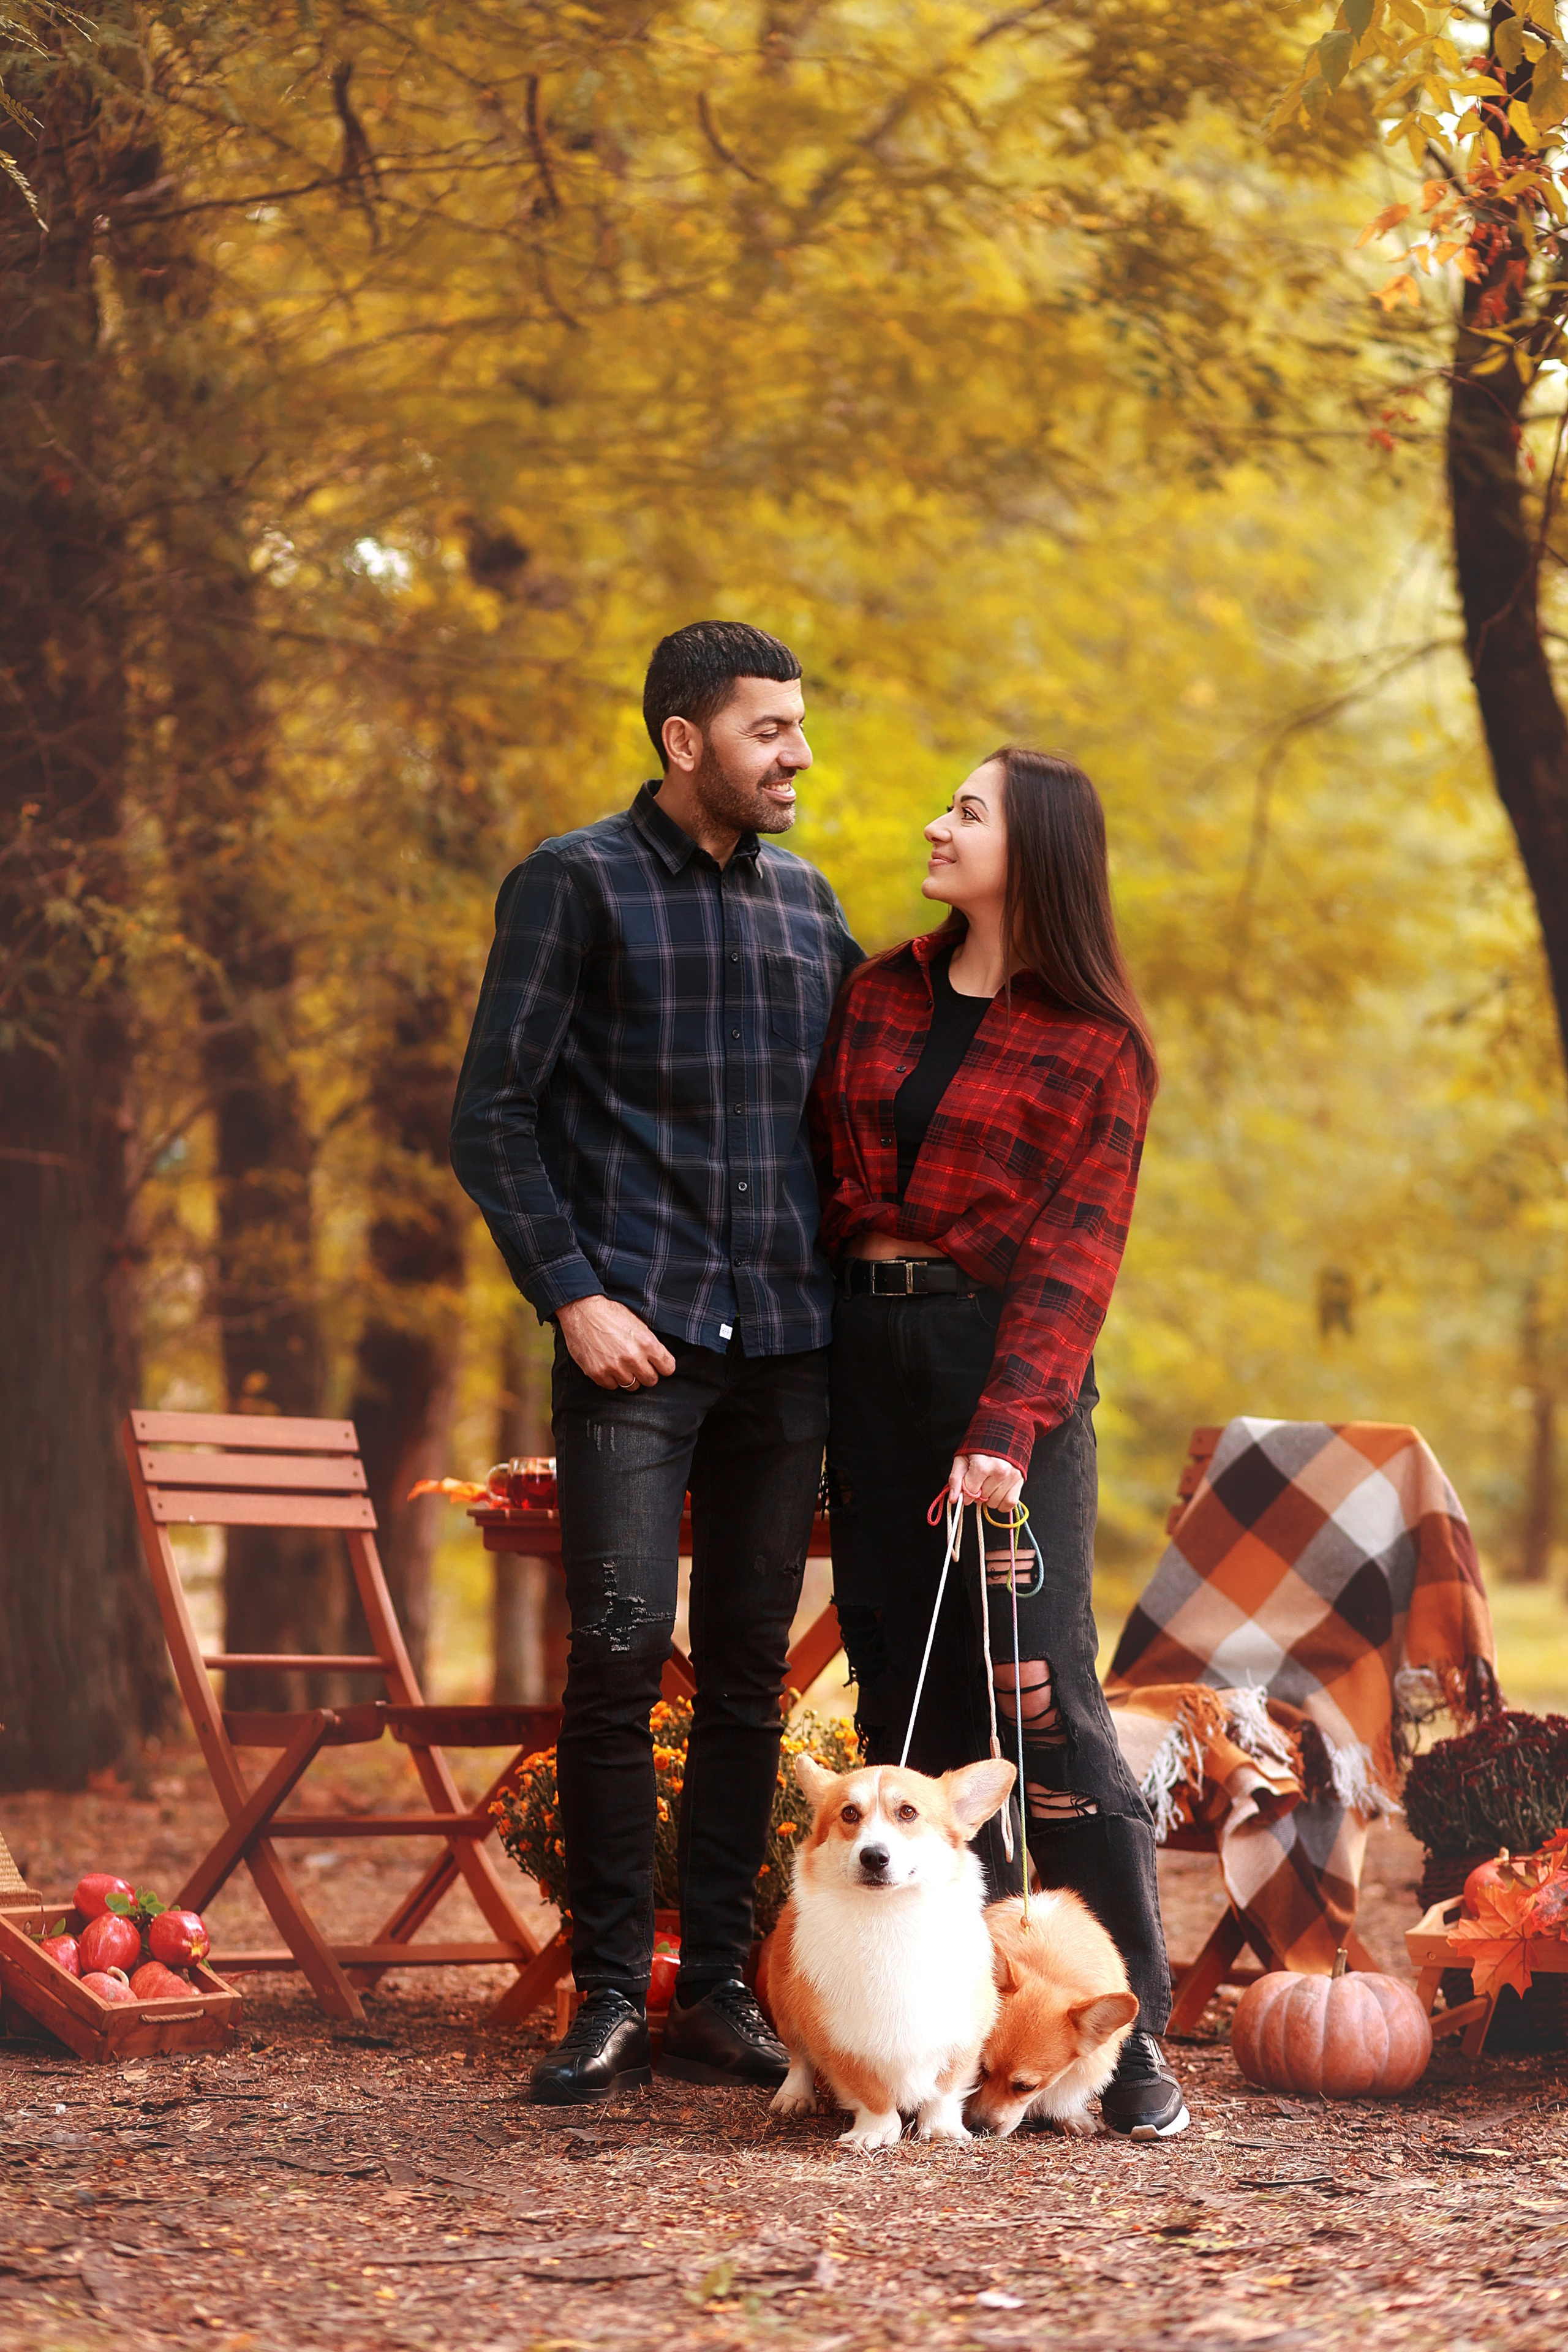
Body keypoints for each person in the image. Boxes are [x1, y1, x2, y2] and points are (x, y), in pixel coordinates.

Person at [451, 620, 860, 2106]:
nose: (797, 756)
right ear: (683, 740)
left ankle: (723, 2001)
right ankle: (614, 1997)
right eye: (769, 731)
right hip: (635, 1347)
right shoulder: (572, 886)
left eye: (799, 728)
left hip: (790, 1348)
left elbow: (851, 1135)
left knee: (750, 1676)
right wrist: (571, 1297)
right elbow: (491, 1117)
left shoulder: (813, 911)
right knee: (619, 1659)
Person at [809, 744, 1187, 2139]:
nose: (932, 823)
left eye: (964, 811)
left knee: (1041, 1710)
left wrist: (1004, 1427)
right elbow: (828, 1179)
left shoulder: (1098, 1045)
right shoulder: (877, 991)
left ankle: (1121, 2038)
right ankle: (929, 2047)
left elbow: (1074, 1262)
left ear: (1034, 853)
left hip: (1004, 1375)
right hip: (866, 1358)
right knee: (903, 1700)